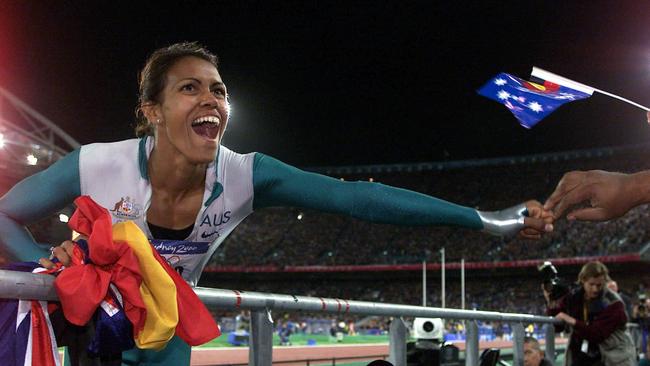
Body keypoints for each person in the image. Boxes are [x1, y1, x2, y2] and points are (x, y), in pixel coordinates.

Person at [0, 42, 552, 365]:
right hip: (91, 327)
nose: (211, 98)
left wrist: (482, 219)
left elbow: (359, 200)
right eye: (190, 88)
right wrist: (43, 271)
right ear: (152, 110)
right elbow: (4, 212)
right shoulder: (97, 165)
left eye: (218, 89)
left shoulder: (246, 175)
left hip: (168, 334)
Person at [545, 261, 636, 365]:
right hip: (582, 355)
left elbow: (596, 334)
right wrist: (551, 302)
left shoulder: (614, 303)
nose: (595, 289)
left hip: (611, 356)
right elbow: (558, 326)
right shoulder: (574, 297)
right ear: (583, 280)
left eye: (599, 285)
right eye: (591, 284)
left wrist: (571, 320)